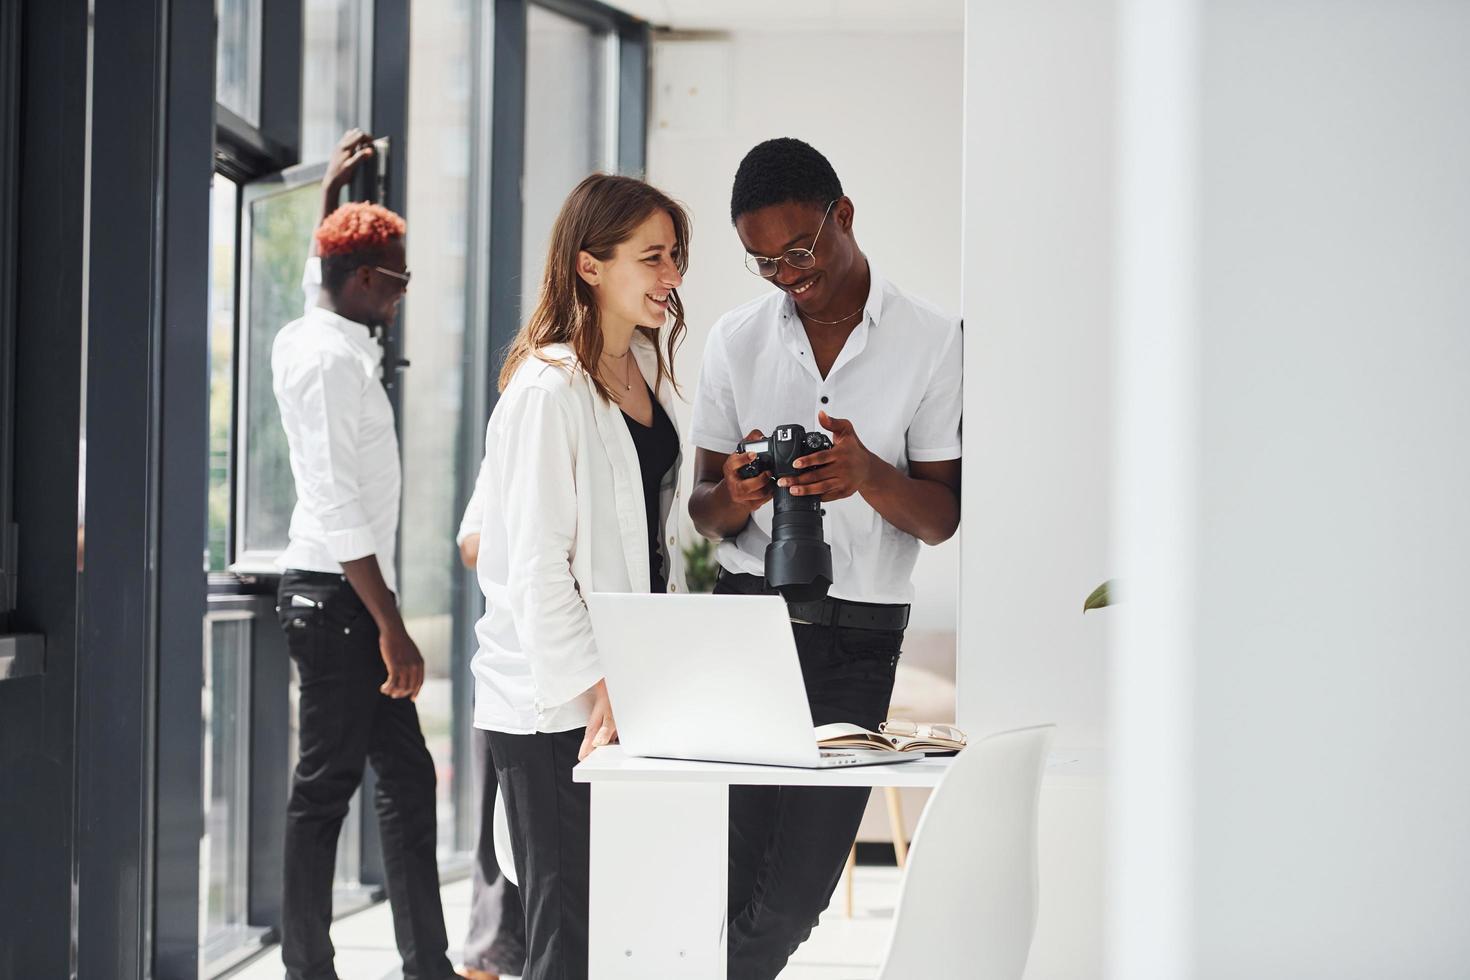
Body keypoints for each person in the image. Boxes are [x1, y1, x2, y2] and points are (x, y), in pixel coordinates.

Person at [688, 137, 963, 980]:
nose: (784, 273)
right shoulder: (736, 340)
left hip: (859, 640)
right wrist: (738, 491)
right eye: (762, 260)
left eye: (798, 250)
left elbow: (943, 516)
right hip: (749, 625)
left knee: (797, 891)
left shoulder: (933, 339)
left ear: (843, 215)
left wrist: (867, 475)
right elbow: (701, 511)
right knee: (730, 875)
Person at [471, 173, 691, 980]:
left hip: (631, 688)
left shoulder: (651, 375)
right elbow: (533, 564)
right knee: (563, 944)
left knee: (623, 932)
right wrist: (598, 682)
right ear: (590, 266)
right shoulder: (546, 389)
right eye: (653, 257)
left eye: (677, 258)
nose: (671, 276)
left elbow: (657, 535)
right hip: (557, 704)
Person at [272, 129, 463, 980]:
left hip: (349, 600)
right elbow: (336, 502)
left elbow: (322, 277)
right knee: (323, 792)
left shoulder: (330, 334)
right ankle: (308, 968)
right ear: (360, 282)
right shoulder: (327, 364)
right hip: (338, 602)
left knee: (409, 779)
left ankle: (427, 964)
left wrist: (335, 207)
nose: (402, 296)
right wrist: (393, 626)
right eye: (397, 281)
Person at [455, 477, 527, 980]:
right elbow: (470, 543)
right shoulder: (524, 412)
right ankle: (483, 963)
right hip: (515, 662)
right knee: (499, 837)